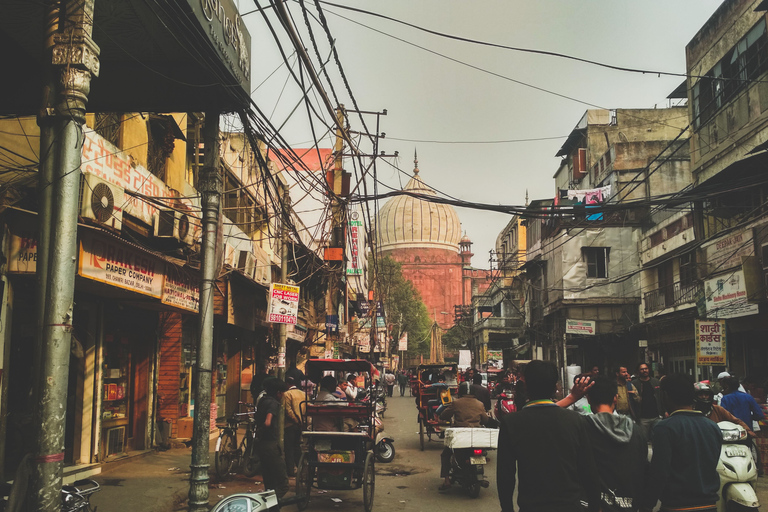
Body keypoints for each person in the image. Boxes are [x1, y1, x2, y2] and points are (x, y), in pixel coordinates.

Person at [497, 360, 600, 512]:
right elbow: (588, 470)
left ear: (526, 385)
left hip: (531, 507)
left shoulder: (511, 423)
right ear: (555, 386)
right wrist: (595, 507)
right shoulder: (575, 420)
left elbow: (505, 475)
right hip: (570, 506)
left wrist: (507, 509)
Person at [639, 374, 721, 512]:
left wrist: (647, 504)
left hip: (676, 506)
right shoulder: (713, 427)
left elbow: (659, 472)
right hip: (709, 506)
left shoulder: (665, 428)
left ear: (665, 395)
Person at [585, 375, 647, 512]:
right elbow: (644, 470)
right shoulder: (636, 431)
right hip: (630, 505)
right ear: (615, 398)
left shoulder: (583, 428)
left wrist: (572, 397)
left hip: (596, 505)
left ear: (588, 399)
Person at [438, 381, 491, 491]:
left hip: (460, 436)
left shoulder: (456, 403)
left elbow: (444, 415)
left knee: (446, 454)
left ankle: (447, 480)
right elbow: (485, 420)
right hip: (476, 436)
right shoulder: (479, 404)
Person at [255, 377, 290, 498]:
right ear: (278, 393)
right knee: (283, 484)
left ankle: (271, 507)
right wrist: (266, 430)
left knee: (269, 483)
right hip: (270, 445)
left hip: (261, 445)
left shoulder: (262, 401)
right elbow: (267, 422)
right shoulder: (273, 404)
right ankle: (269, 504)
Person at [631, 363, 663, 441]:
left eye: (646, 368)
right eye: (642, 369)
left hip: (656, 416)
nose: (644, 370)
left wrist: (663, 411)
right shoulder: (635, 383)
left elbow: (661, 397)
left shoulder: (656, 382)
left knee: (657, 439)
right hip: (642, 417)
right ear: (638, 371)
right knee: (643, 440)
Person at [282, 376, 304, 477]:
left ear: (287, 384)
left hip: (290, 425)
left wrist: (296, 421)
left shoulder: (287, 394)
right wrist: (302, 422)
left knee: (289, 448)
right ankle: (302, 468)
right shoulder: (303, 394)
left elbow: (288, 410)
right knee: (297, 447)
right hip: (301, 425)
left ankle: (290, 470)